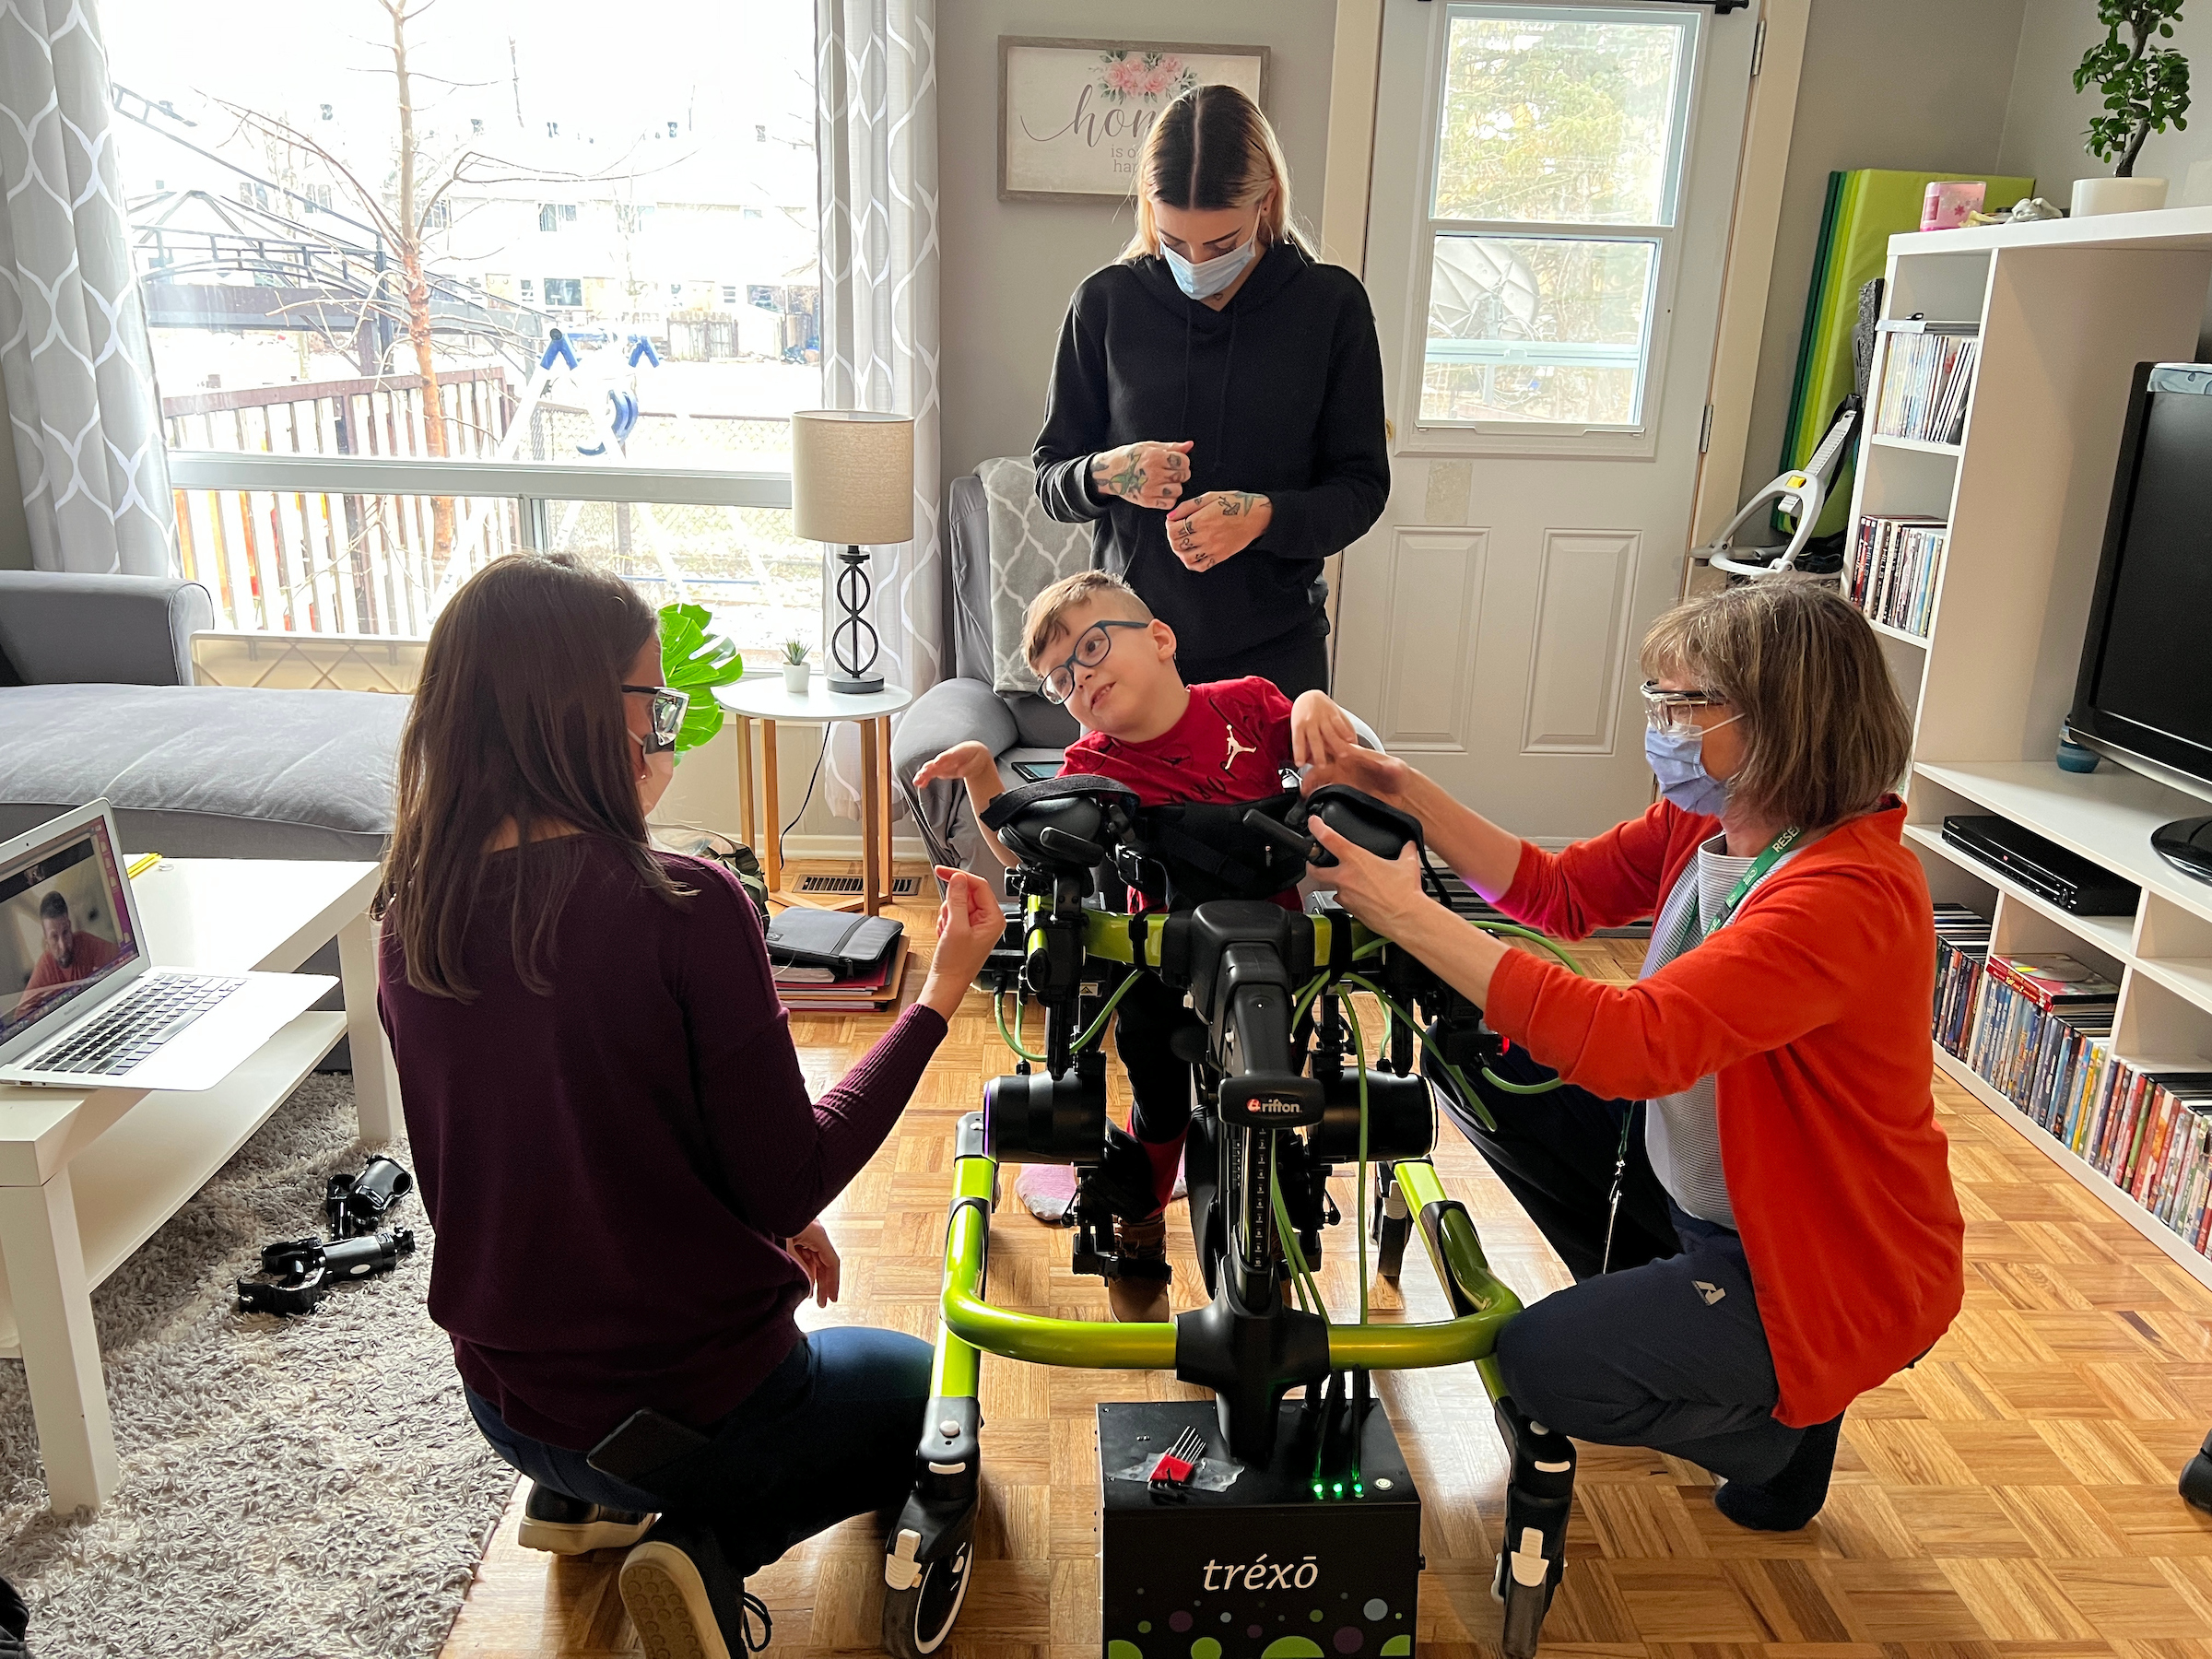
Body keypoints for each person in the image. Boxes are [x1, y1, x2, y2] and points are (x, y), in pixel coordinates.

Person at [375, 553, 1003, 1658]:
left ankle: (581, 1501)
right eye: (653, 703)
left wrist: (761, 1220)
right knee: (926, 1394)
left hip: (509, 1406)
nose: (665, 731)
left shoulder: (411, 909)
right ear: (580, 715)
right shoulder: (682, 904)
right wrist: (941, 993)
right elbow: (791, 1172)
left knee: (610, 1374)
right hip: (696, 1405)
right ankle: (710, 1545)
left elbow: (574, 1132)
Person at [1302, 578, 1964, 1533]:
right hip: (1717, 1194)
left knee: (1543, 1365)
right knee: (1496, 1079)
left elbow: (1632, 1045)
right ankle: (1695, 1325)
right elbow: (1558, 892)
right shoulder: (1718, 823)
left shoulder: (1849, 893)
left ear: (1780, 719)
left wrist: (1407, 914)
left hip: (1829, 1258)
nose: (1660, 726)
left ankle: (1786, 1434)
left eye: (1682, 704)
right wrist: (1395, 787)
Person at [916, 571, 1359, 1320]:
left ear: (1160, 639)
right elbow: (1032, 852)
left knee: (1284, 1096)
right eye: (1060, 678)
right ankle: (1142, 1225)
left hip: (1274, 957)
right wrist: (985, 777)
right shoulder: (1092, 762)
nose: (1079, 678)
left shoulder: (1250, 705)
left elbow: (1329, 761)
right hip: (1155, 965)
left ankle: (1272, 1238)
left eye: (1091, 648)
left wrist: (1316, 701)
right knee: (1159, 1101)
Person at [1032, 83, 1387, 700]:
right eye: (1173, 242)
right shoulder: (1107, 302)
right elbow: (1050, 480)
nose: (1196, 261)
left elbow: (1361, 489)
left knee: (1283, 802)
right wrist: (1107, 473)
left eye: (1220, 244)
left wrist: (1262, 517)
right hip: (1129, 654)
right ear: (1149, 207)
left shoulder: (1331, 307)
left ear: (1265, 202)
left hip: (1276, 656)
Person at [19, 890, 121, 1012]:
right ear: (46, 939)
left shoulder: (85, 942)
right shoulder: (45, 965)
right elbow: (21, 1013)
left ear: (70, 926)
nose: (63, 946)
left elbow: (123, 959)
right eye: (54, 937)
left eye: (66, 932)